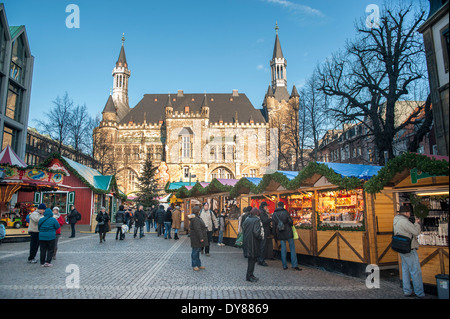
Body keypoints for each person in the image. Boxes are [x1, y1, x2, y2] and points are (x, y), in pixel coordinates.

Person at [393, 205, 425, 298]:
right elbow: (416, 232)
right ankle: (419, 293)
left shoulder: (396, 220)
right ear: (407, 213)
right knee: (415, 270)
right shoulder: (404, 222)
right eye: (409, 212)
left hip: (401, 248)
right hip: (409, 248)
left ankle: (407, 290)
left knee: (405, 270)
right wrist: (416, 223)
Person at [272, 202, 302, 271]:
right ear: (283, 206)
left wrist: (275, 235)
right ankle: (294, 265)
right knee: (292, 248)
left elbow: (274, 225)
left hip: (280, 232)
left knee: (283, 249)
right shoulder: (286, 212)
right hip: (288, 231)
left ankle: (284, 265)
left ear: (277, 206)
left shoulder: (274, 214)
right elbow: (291, 222)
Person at [242, 207, 264, 282]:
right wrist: (260, 236)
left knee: (250, 259)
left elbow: (243, 227)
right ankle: (249, 275)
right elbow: (256, 232)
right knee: (252, 260)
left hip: (247, 241)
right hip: (253, 242)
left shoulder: (247, 219)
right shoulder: (256, 220)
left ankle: (250, 274)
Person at [188, 206, 208, 271]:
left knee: (197, 251)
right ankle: (194, 265)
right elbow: (197, 229)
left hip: (196, 237)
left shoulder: (196, 218)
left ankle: (198, 264)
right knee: (195, 251)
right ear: (197, 211)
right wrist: (201, 237)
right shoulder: (195, 219)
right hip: (196, 237)